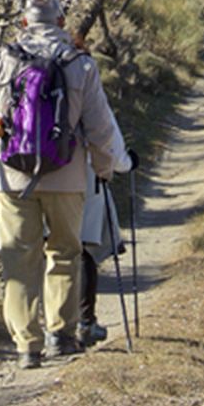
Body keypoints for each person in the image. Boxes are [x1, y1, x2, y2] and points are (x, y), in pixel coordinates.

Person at [0, 0, 122, 369]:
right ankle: (60, 334)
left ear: (23, 23)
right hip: (68, 177)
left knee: (19, 260)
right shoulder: (80, 64)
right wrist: (105, 167)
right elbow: (100, 128)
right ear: (61, 23)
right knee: (66, 253)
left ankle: (26, 346)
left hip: (15, 179)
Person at [77, 121, 135, 346]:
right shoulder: (85, 84)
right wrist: (126, 162)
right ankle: (84, 323)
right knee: (83, 249)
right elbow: (105, 132)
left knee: (42, 251)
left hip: (23, 177)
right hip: (82, 179)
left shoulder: (15, 83)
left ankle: (37, 330)